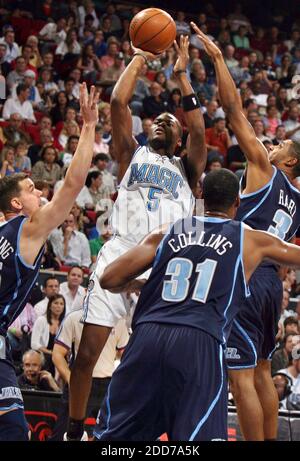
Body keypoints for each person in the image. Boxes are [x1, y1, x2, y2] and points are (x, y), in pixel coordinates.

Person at [67, 36, 207, 441]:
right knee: (88, 354)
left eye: (171, 122)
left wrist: (182, 77)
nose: (163, 121)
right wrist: (141, 57)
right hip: (120, 251)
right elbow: (117, 104)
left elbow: (198, 125)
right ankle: (74, 430)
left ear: (179, 140)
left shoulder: (188, 168)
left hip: (165, 266)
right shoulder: (132, 154)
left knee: (159, 365)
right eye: (158, 119)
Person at [93, 169, 300, 441]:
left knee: (113, 436)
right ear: (237, 203)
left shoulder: (168, 230)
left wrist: (141, 285)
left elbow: (109, 278)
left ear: (200, 196)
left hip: (147, 336)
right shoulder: (249, 238)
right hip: (200, 339)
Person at [191, 23, 300, 441]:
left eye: (280, 148)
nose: (271, 146)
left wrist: (218, 59)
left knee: (241, 378)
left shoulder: (265, 169)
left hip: (247, 273)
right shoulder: (296, 199)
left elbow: (234, 112)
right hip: (274, 282)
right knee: (262, 370)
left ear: (287, 163)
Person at [0, 82, 99, 441]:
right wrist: (88, 127)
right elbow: (71, 187)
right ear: (15, 205)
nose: (40, 193)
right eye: (31, 190)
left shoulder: (7, 229)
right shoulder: (26, 229)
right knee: (14, 432)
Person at [51, 311, 129, 440]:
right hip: (80, 383)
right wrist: (71, 379)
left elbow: (125, 354)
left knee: (110, 435)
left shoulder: (119, 321)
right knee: (63, 434)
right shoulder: (74, 318)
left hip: (108, 384)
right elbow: (57, 354)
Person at [31, 294, 66, 376]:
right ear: (50, 305)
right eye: (56, 303)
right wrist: (51, 352)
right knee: (53, 359)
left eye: (61, 304)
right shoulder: (41, 320)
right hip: (43, 354)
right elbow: (34, 344)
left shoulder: (64, 324)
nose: (59, 306)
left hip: (58, 355)